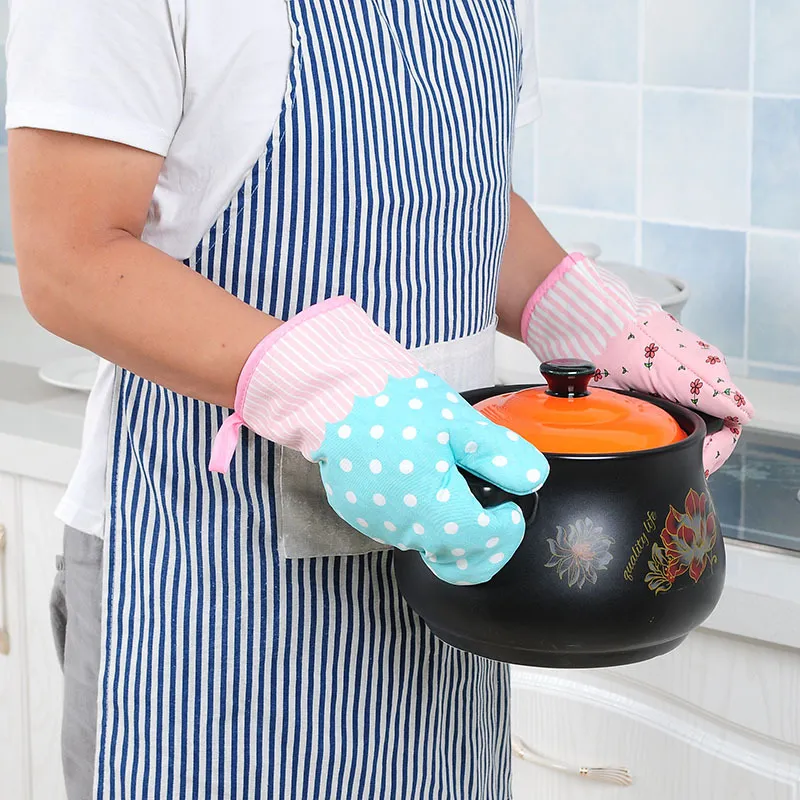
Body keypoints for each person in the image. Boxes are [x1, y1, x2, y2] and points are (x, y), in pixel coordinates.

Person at [6, 0, 751, 797]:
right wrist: (327, 389)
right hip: (209, 570)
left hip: (453, 564)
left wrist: (592, 322)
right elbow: (70, 259)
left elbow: (447, 194)